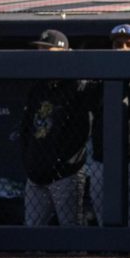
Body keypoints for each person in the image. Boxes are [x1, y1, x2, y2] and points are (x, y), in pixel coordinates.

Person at [18, 29, 92, 227]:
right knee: (32, 235)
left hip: (65, 175)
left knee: (72, 234)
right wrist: (30, 162)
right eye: (39, 50)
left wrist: (63, 164)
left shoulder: (77, 85)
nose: (42, 55)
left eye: (47, 49)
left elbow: (82, 132)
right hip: (36, 175)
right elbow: (26, 129)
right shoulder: (38, 87)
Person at [87, 23, 130, 227]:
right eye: (118, 44)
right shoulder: (100, 76)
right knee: (103, 217)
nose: (122, 48)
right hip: (103, 159)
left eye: (129, 44)